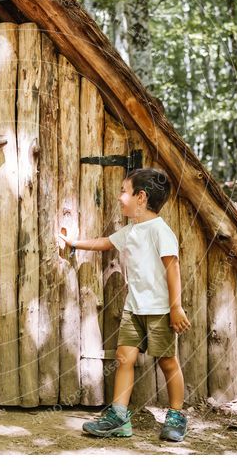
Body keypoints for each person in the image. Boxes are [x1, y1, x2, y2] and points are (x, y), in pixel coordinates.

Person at [59, 167, 191, 441]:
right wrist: (74, 243)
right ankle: (119, 417)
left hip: (160, 311)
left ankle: (177, 415)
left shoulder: (160, 231)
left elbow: (173, 269)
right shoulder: (132, 230)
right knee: (124, 358)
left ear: (140, 197)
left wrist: (176, 307)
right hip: (134, 308)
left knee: (167, 361)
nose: (120, 197)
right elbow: (106, 243)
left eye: (124, 191)